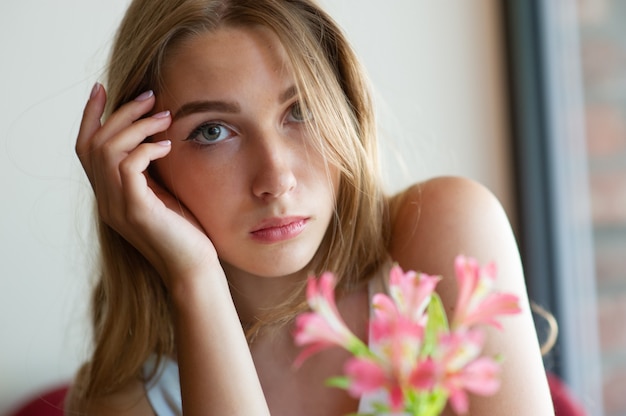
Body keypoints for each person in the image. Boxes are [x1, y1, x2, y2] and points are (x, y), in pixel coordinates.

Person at [66, 0, 555, 414]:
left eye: (301, 111)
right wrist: (195, 278)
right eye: (212, 131)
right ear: (144, 165)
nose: (276, 180)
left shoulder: (441, 226)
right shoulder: (125, 398)